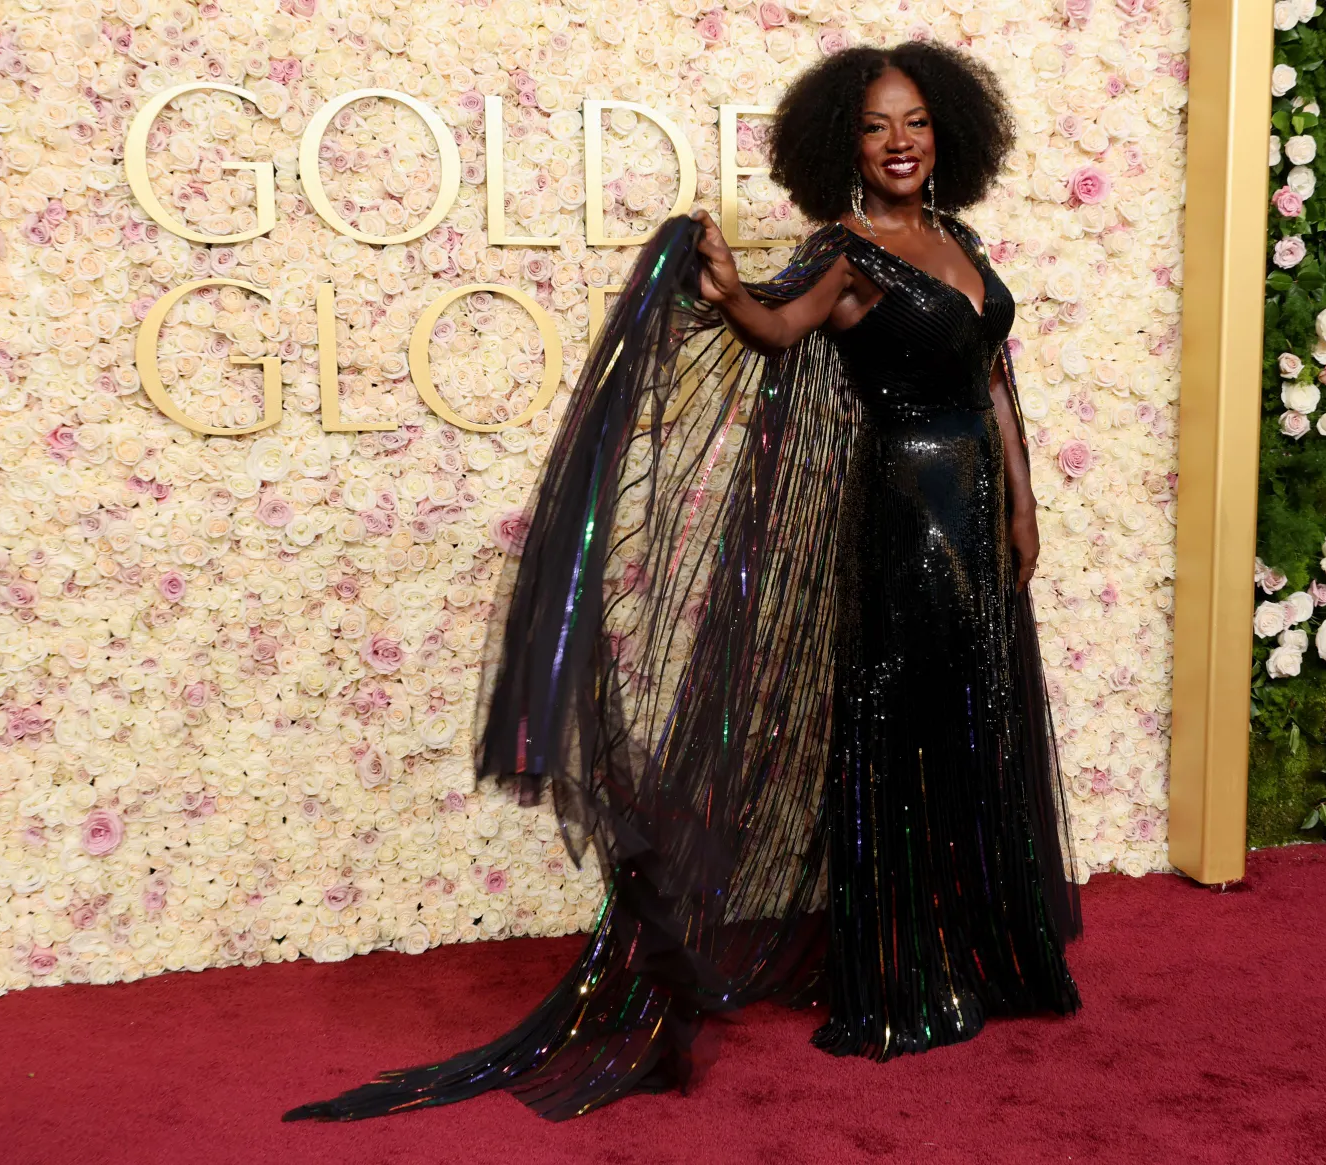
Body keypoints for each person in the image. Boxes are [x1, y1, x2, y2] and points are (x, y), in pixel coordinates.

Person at [285, 40, 1080, 1126]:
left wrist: (1024, 504)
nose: (898, 144)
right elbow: (774, 328)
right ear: (842, 146)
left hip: (978, 517)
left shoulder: (959, 241)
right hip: (901, 517)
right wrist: (723, 288)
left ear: (948, 134)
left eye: (916, 124)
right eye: (874, 128)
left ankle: (974, 948)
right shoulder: (842, 252)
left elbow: (990, 374)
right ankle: (898, 977)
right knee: (902, 731)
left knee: (970, 721)